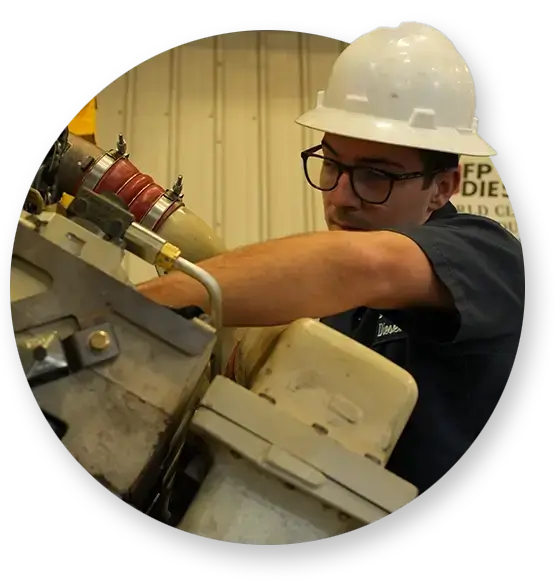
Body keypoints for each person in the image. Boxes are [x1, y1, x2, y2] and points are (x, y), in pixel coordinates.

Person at [137, 22, 525, 492]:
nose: (341, 196)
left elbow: (362, 264)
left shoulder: (487, 257)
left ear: (441, 187)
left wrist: (137, 306)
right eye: (332, 163)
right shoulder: (338, 306)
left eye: (375, 175)